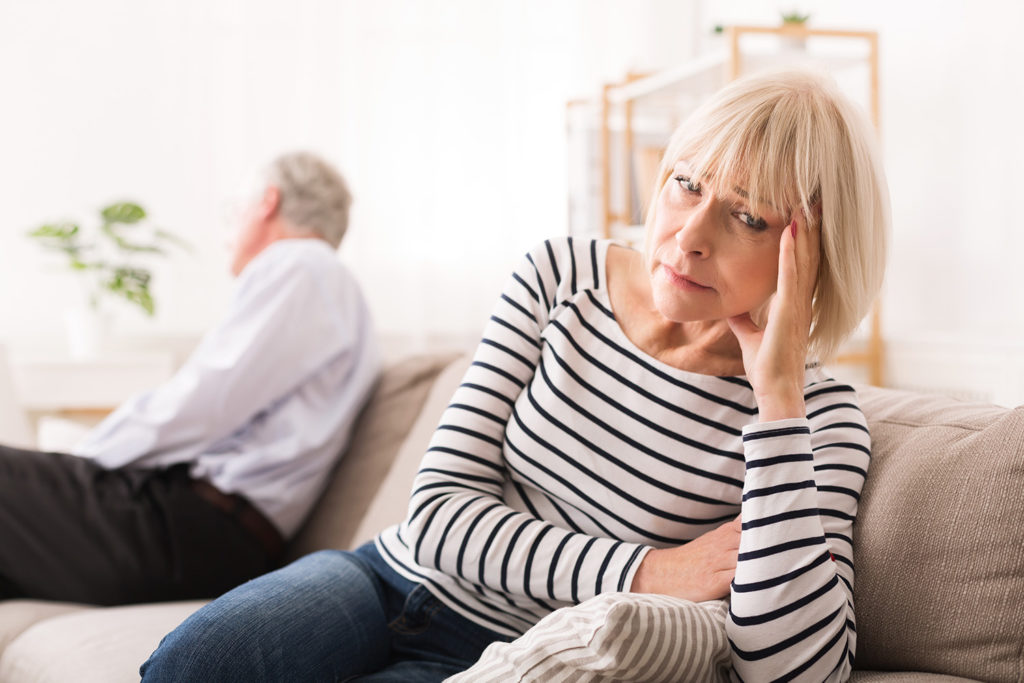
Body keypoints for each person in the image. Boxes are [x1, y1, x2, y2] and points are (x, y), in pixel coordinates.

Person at [140, 69, 888, 682]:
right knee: (191, 663)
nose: (688, 237)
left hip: (514, 655)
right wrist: (649, 570)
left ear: (815, 256)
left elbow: (797, 670)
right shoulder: (559, 276)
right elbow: (436, 515)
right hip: (387, 579)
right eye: (687, 184)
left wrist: (779, 399)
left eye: (748, 218)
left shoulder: (818, 422)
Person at [0, 151, 379, 605]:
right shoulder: (326, 286)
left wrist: (82, 463)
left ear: (266, 202)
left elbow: (205, 404)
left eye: (234, 209)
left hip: (191, 530)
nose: (226, 233)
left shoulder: (301, 266)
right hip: (205, 535)